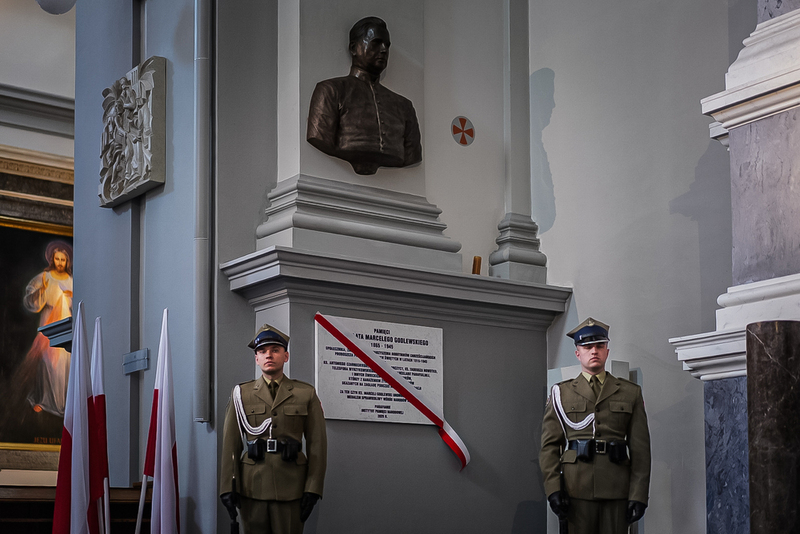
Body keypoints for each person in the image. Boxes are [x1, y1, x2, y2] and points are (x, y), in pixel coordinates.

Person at [539, 318, 651, 534]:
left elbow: (641, 450)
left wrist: (638, 495)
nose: (594, 351)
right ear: (577, 353)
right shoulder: (561, 393)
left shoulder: (630, 392)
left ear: (607, 351)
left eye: (599, 346)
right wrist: (553, 489)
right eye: (587, 347)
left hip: (617, 488)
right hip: (575, 488)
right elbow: (549, 447)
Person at [220, 324, 327, 534]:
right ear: (256, 358)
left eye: (275, 350)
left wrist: (313, 488)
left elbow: (318, 445)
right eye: (262, 351)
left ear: (285, 356)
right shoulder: (241, 394)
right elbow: (230, 444)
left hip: (292, 486)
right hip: (252, 485)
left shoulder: (305, 393)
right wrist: (228, 487)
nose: (268, 355)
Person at [306, 16, 422, 175]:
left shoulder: (404, 106)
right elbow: (319, 136)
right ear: (354, 48)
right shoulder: (331, 90)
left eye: (387, 45)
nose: (383, 50)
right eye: (376, 42)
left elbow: (412, 155)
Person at [22, 241, 74, 417]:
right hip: (49, 322)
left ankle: (64, 402)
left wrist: (71, 298)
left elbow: (79, 303)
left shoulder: (71, 281)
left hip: (66, 323)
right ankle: (42, 399)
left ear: (68, 262)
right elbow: (31, 299)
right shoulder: (45, 277)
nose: (60, 262)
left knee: (64, 363)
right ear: (52, 259)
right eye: (57, 259)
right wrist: (41, 291)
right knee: (47, 362)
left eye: (63, 260)